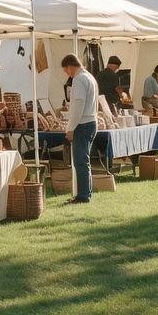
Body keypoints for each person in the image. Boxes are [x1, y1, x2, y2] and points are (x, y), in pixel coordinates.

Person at [62, 54, 98, 204]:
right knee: (84, 161)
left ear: (69, 66)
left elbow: (78, 106)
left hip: (82, 124)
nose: (67, 73)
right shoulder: (89, 77)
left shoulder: (79, 79)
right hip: (90, 122)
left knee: (81, 162)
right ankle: (84, 193)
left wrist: (70, 128)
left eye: (65, 70)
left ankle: (83, 195)